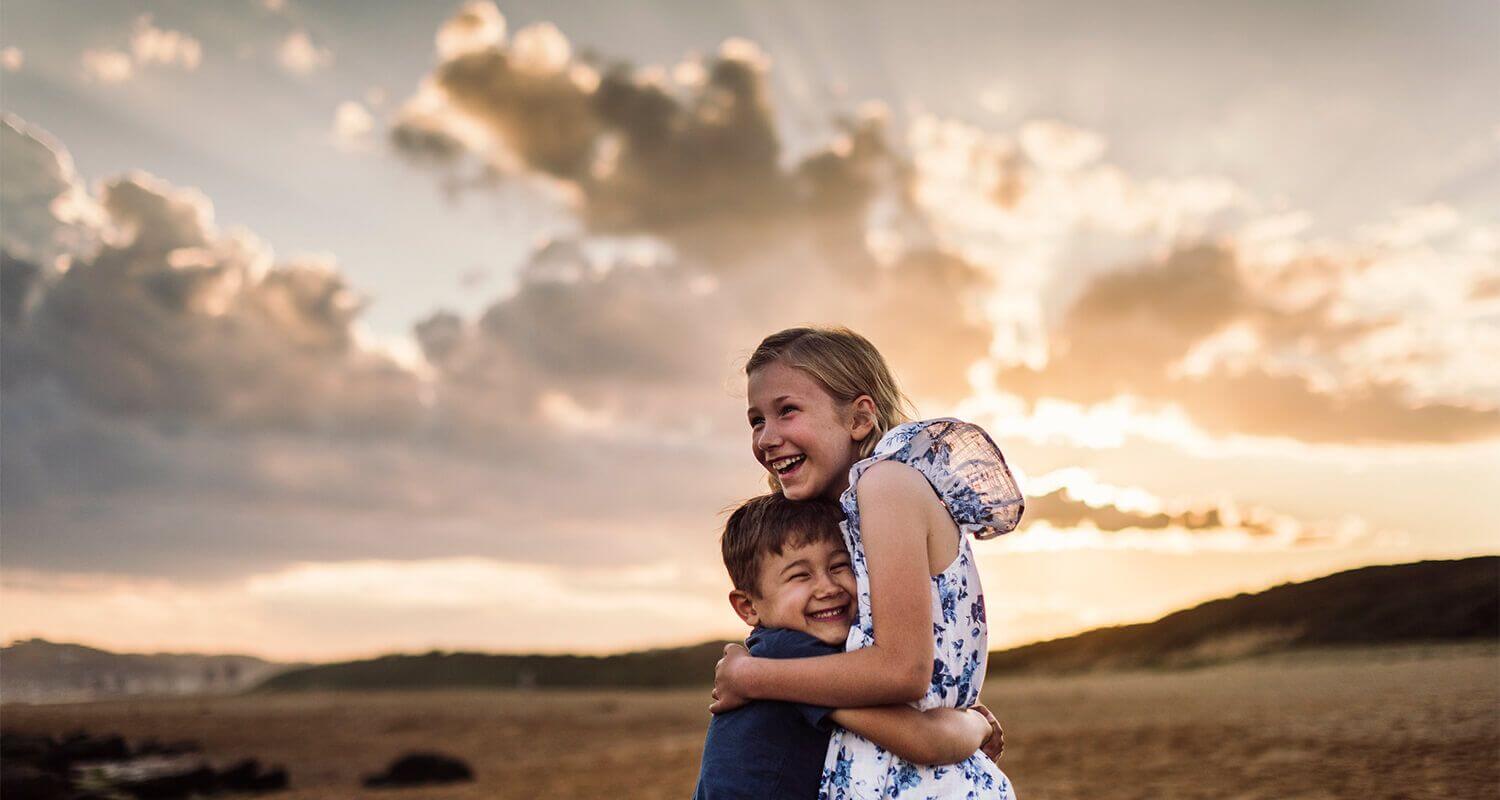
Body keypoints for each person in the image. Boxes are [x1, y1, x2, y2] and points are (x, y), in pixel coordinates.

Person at [712, 326, 1025, 799]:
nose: (767, 438)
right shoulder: (858, 511)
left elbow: (903, 671)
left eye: (787, 410)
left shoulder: (885, 485)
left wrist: (752, 676)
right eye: (756, 421)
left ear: (859, 418)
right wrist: (964, 722)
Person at [695, 492, 1004, 800]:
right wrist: (978, 724)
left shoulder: (782, 653)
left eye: (839, 566)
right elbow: (925, 741)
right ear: (748, 606)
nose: (828, 588)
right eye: (800, 575)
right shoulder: (789, 654)